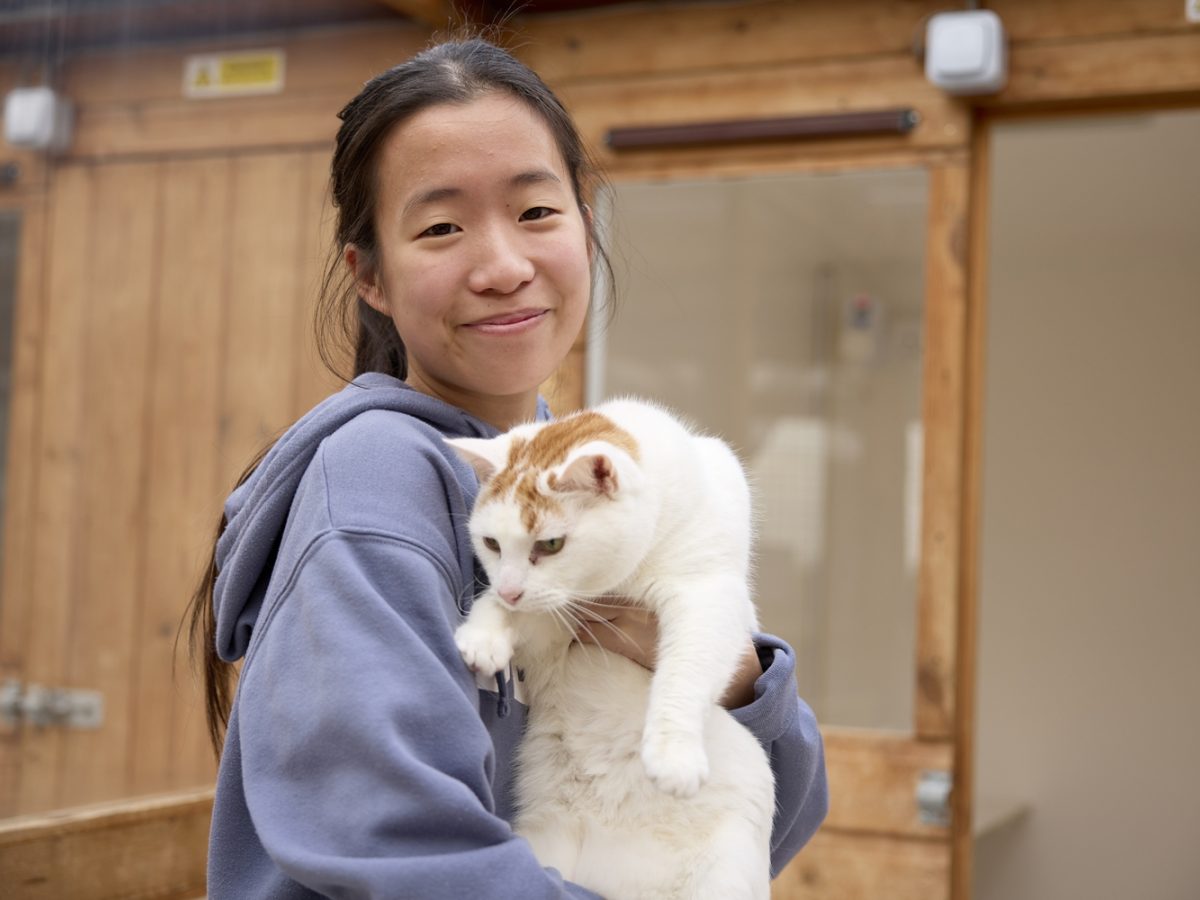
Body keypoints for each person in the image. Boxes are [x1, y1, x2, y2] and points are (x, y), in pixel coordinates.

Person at [187, 36, 828, 899]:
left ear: (586, 224)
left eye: (536, 213)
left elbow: (771, 810)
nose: (503, 267)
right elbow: (399, 847)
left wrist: (736, 675)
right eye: (442, 226)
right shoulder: (377, 479)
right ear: (369, 274)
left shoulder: (589, 480)